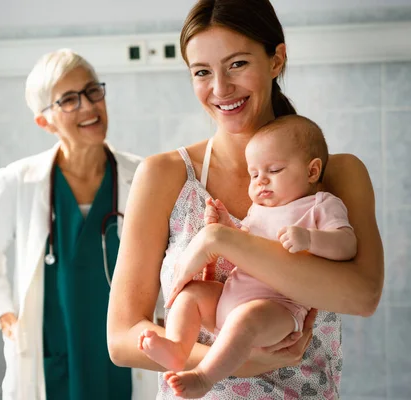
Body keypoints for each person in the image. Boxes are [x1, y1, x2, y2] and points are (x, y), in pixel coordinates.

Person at [107, 0, 384, 399]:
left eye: (237, 64)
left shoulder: (334, 176)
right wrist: (240, 360)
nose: (220, 89)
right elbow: (121, 338)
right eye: (202, 72)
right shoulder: (165, 176)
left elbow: (362, 296)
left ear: (276, 59)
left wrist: (221, 241)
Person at [0, 49, 149, 400]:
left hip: (125, 348)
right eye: (69, 100)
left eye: (93, 91)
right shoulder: (19, 181)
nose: (89, 106)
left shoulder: (142, 176)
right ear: (44, 121)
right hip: (55, 348)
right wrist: (4, 315)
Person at [139, 115, 357, 398]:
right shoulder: (260, 209)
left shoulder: (321, 205)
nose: (261, 181)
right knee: (191, 294)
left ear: (312, 171)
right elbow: (243, 245)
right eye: (254, 174)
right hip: (230, 297)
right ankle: (178, 347)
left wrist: (311, 239)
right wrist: (227, 227)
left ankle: (204, 377)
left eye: (274, 170)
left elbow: (347, 244)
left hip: (279, 308)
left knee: (246, 320)